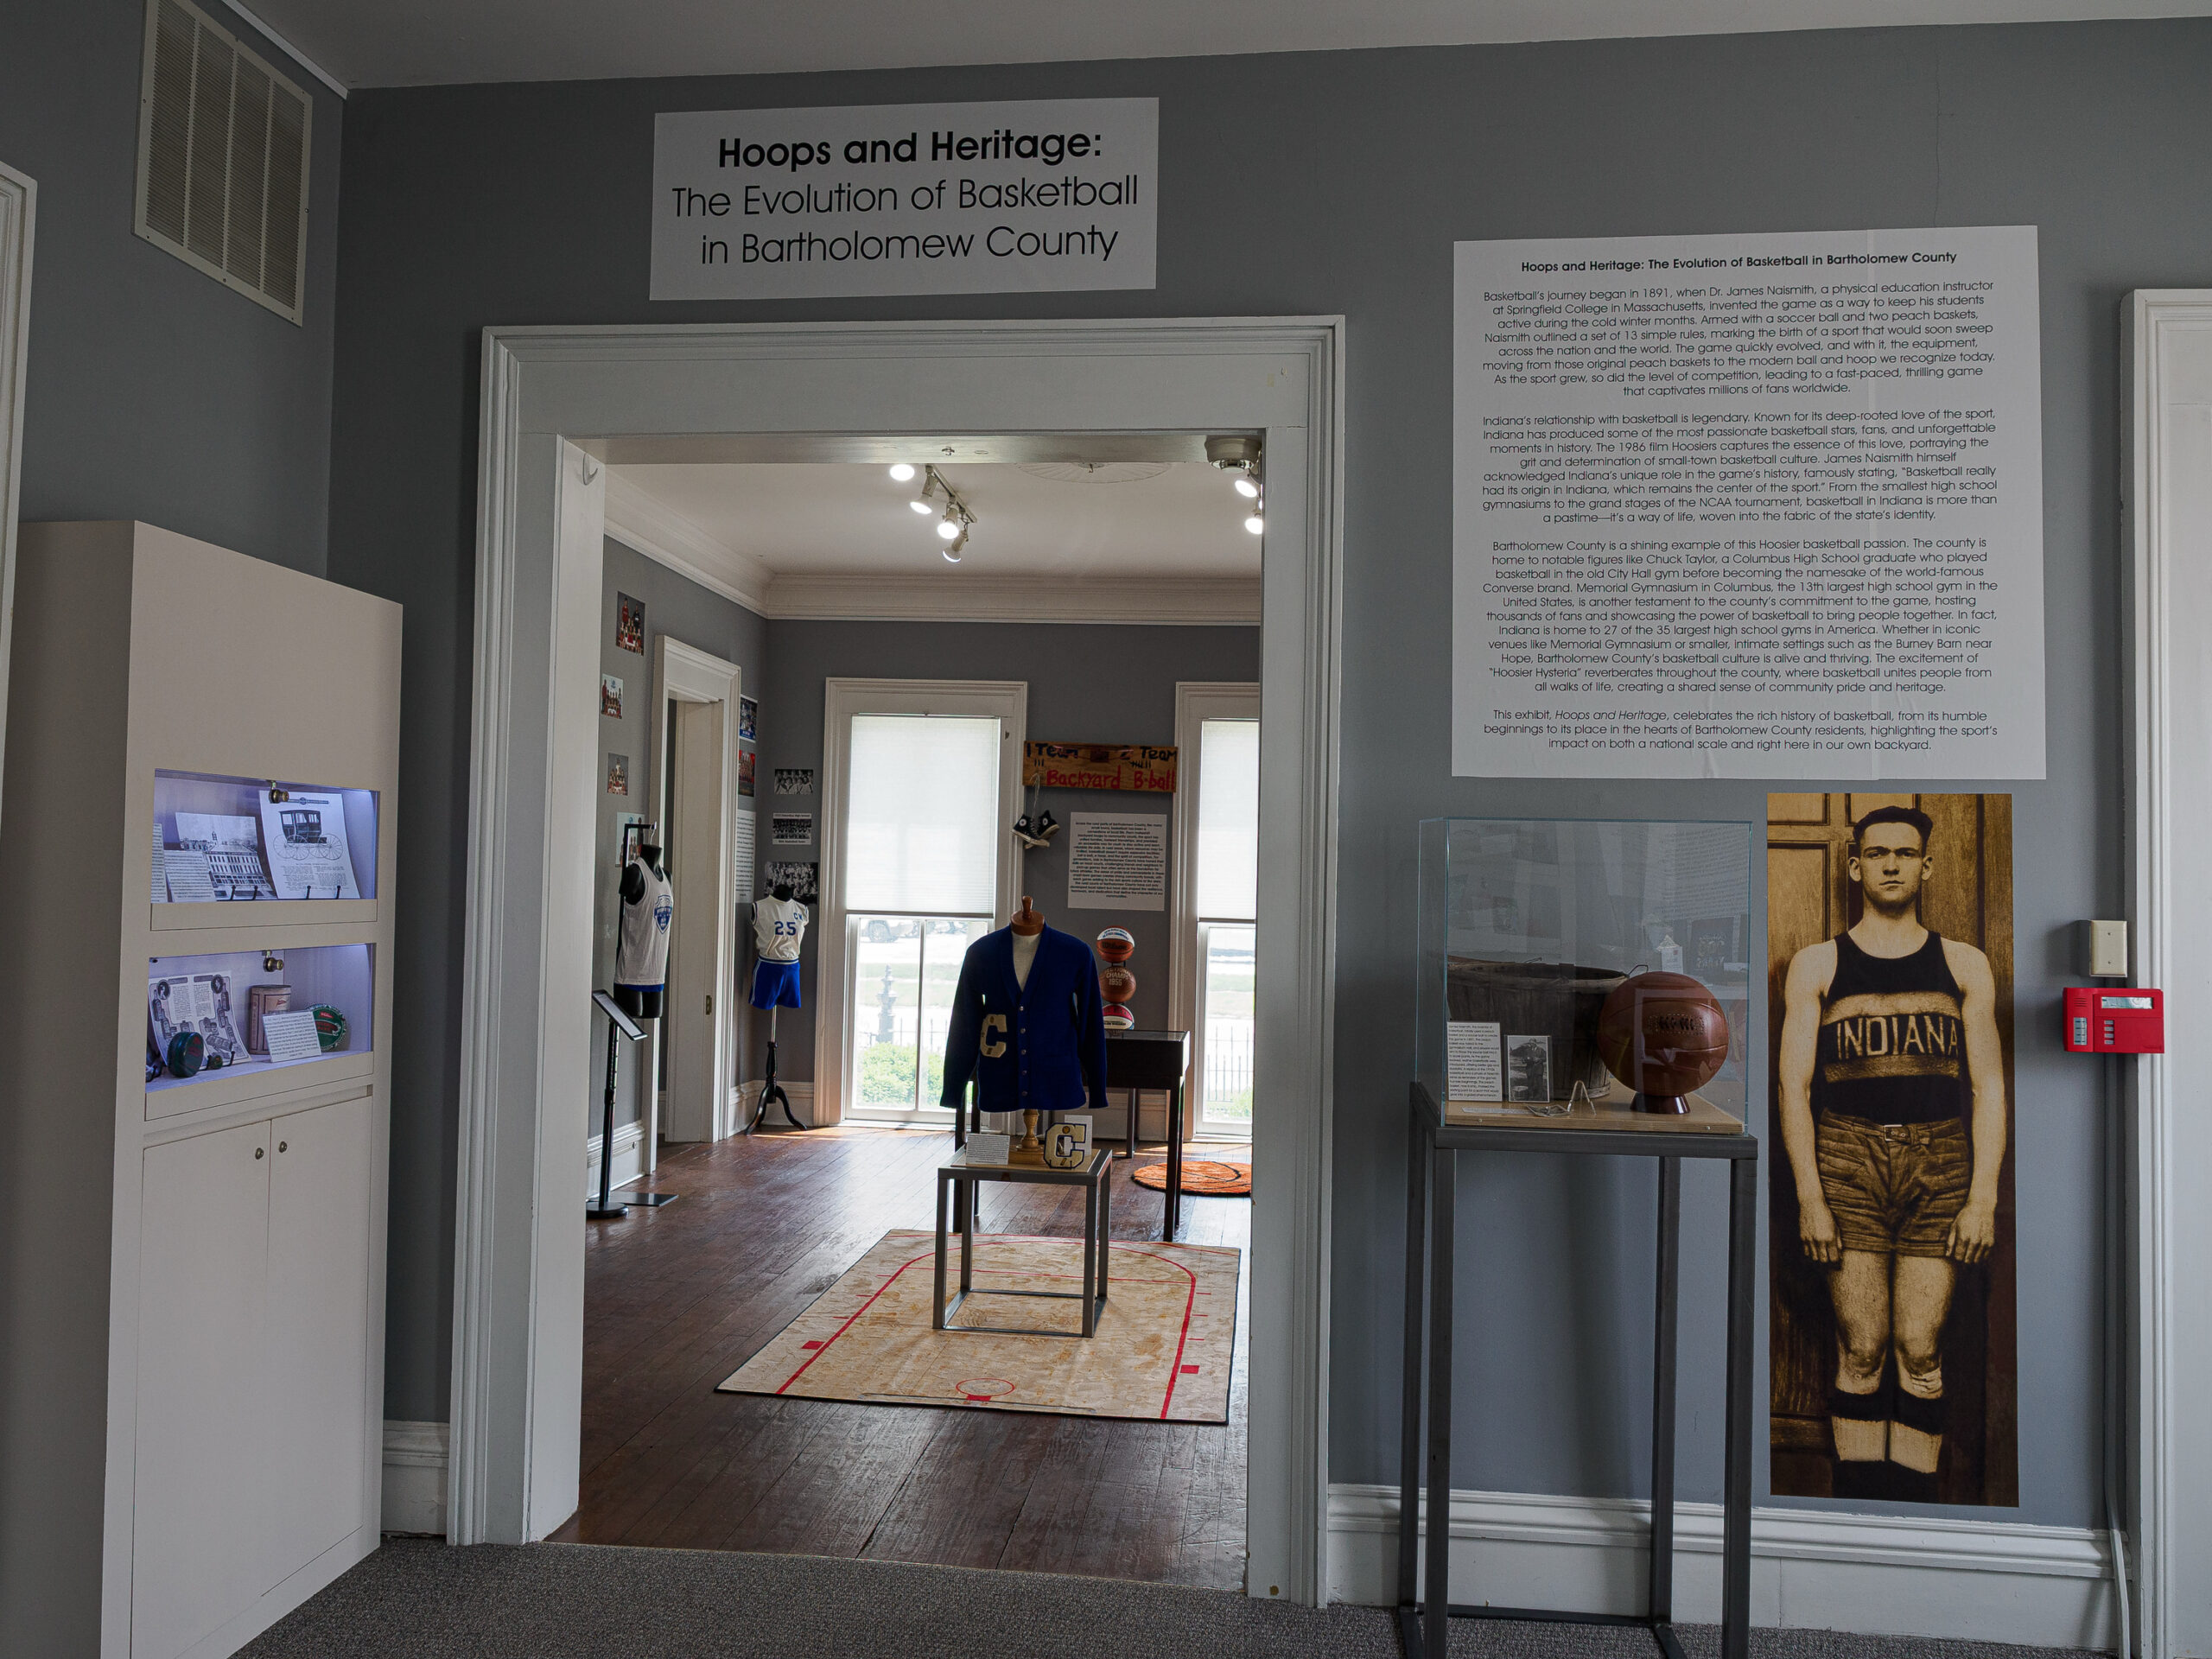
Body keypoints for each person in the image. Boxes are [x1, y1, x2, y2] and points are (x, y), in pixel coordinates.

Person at [1777, 804, 2005, 1503]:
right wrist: (1811, 1198)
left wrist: (1983, 1199)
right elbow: (1793, 1088)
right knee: (1862, 1349)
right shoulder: (1818, 964)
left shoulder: (1963, 964)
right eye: (1877, 853)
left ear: (1926, 866)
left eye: (1905, 854)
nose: (1891, 865)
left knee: (1920, 1350)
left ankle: (1913, 1515)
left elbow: (1989, 1086)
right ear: (1855, 866)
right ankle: (1859, 1510)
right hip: (1847, 1160)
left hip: (1942, 1165)